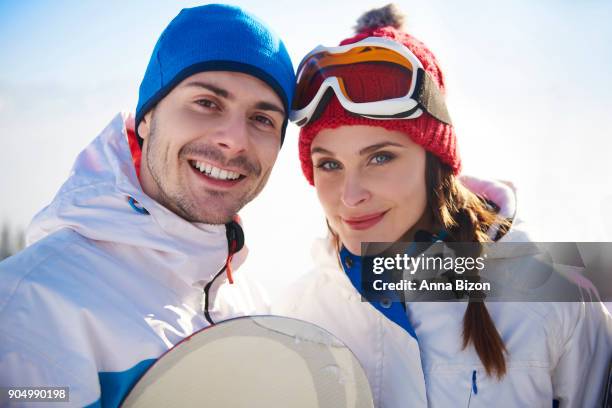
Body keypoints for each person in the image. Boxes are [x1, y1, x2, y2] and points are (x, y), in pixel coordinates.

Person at [274, 4, 612, 407]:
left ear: (435, 163)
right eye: (329, 164)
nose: (350, 195)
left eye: (380, 157)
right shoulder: (299, 311)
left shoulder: (554, 291)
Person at [0, 4, 294, 407]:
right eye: (207, 103)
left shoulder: (253, 304)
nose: (235, 140)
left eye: (262, 118)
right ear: (147, 117)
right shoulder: (32, 305)